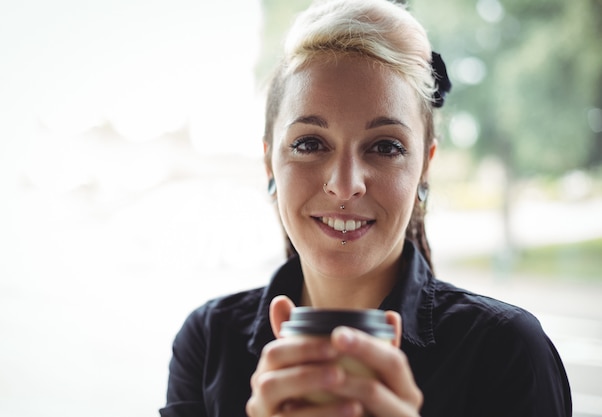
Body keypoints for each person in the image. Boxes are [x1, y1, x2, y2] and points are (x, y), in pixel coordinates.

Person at [160, 0, 572, 416]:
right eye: (310, 144)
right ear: (270, 163)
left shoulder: (506, 351)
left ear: (425, 166)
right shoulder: (209, 340)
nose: (344, 185)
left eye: (385, 147)